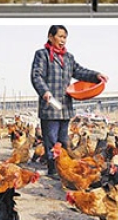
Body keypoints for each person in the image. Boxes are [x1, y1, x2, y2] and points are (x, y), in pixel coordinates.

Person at [30, 25, 108, 178]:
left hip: (65, 105)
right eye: (60, 36)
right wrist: (44, 91)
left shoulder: (68, 57)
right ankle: (53, 170)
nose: (63, 40)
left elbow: (79, 71)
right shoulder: (42, 55)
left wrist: (96, 75)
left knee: (64, 140)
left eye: (65, 37)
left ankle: (64, 169)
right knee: (51, 140)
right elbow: (36, 75)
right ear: (50, 37)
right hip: (50, 105)